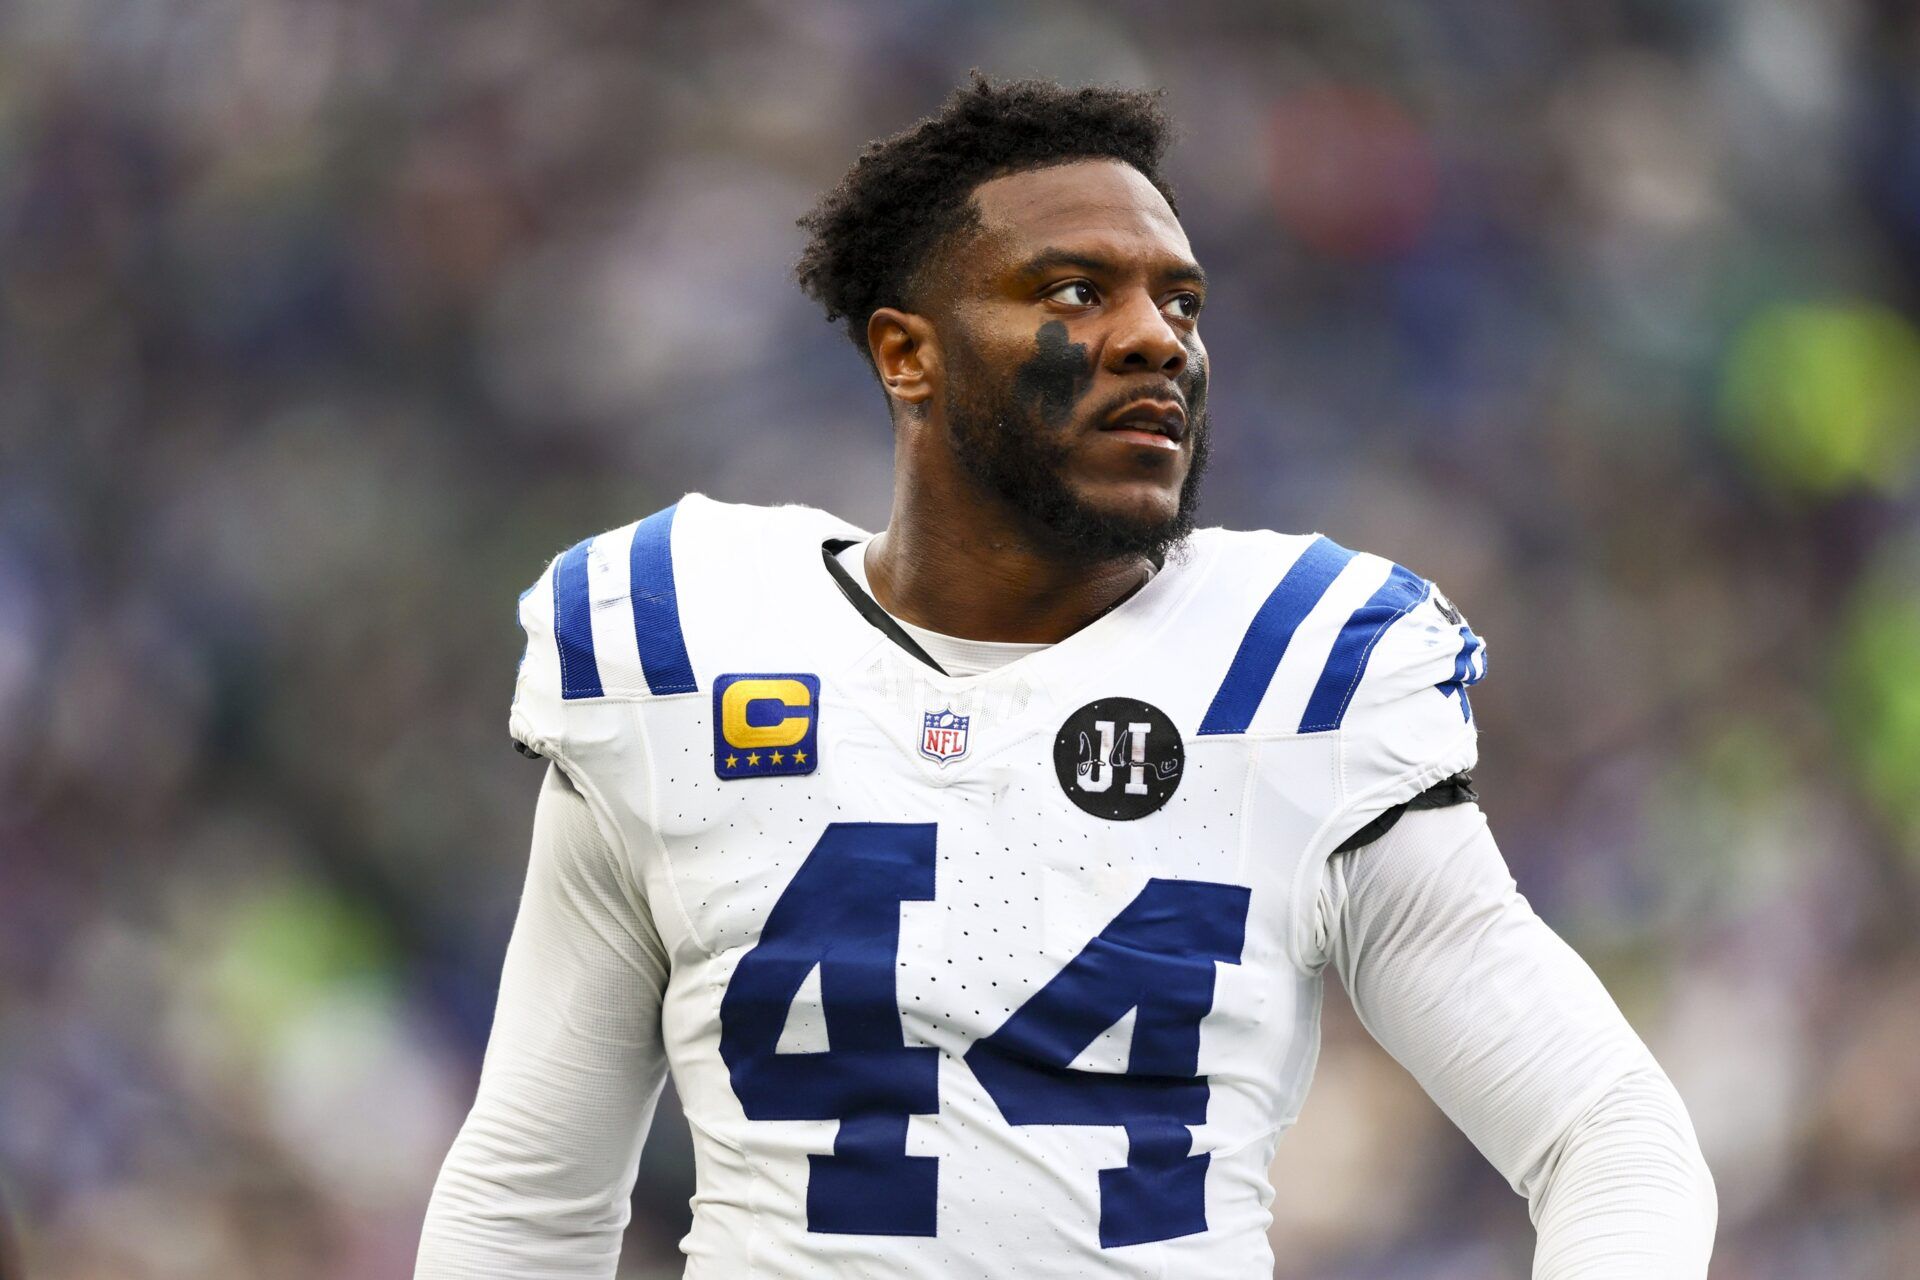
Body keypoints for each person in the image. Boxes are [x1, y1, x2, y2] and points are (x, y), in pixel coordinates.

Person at [416, 77, 1716, 1278]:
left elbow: (1609, 1137)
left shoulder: (1298, 675)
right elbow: (532, 1198)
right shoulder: (681, 648)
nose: (1157, 339)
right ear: (905, 352)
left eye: (1181, 301)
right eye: (1075, 291)